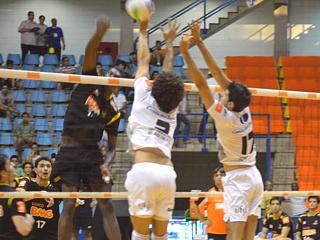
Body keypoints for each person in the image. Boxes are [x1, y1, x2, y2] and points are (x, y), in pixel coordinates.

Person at [180, 21, 263, 240]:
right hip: (255, 177)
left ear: (231, 104)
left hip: (239, 179)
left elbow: (201, 83)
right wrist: (198, 41)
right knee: (248, 237)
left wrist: (186, 54)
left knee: (234, 235)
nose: (222, 94)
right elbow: (217, 74)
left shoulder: (226, 118)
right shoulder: (245, 108)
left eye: (225, 96)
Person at [51, 17, 121, 240]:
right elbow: (89, 50)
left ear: (120, 86)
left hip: (92, 155)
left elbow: (111, 147)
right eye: (110, 74)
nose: (112, 77)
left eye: (117, 78)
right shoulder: (88, 82)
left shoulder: (113, 112)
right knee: (69, 204)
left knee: (107, 206)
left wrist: (107, 164)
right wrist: (99, 34)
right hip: (69, 152)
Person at [125, 18, 183, 239]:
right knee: (160, 236)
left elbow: (143, 62)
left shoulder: (142, 96)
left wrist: (142, 31)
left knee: (140, 234)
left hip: (145, 171)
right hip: (168, 174)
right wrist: (169, 45)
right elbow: (167, 74)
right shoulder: (173, 110)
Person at [18, 157, 60, 240]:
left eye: (48, 166)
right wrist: (40, 194)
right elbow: (17, 197)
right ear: (35, 170)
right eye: (42, 166)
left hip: (51, 235)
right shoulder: (27, 182)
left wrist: (74, 201)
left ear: (51, 170)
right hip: (29, 235)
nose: (45, 169)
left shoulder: (55, 187)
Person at [0, 154, 34, 239]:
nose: (13, 165)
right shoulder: (14, 195)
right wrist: (29, 219)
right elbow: (24, 229)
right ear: (3, 173)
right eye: (9, 164)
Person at [191, 167, 227, 240]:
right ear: (213, 178)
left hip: (229, 231)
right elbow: (194, 205)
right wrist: (202, 220)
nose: (219, 177)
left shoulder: (231, 191)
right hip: (213, 231)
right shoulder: (208, 191)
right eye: (216, 175)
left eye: (222, 175)